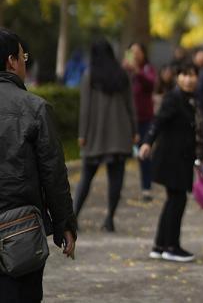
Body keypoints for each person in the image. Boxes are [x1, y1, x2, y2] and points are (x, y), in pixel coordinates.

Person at [0, 28, 77, 303]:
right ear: (11, 61)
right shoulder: (35, 108)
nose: (24, 62)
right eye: (23, 57)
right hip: (20, 230)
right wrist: (64, 224)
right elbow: (53, 173)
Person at [139, 60, 201, 263]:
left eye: (192, 75)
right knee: (177, 200)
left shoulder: (188, 98)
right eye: (184, 75)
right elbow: (158, 121)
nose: (188, 79)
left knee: (174, 200)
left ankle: (160, 245)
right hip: (171, 158)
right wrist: (147, 142)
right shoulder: (173, 98)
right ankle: (171, 246)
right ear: (177, 77)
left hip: (180, 157)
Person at [73, 38, 136, 232]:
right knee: (116, 177)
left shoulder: (90, 76)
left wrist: (82, 134)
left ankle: (74, 216)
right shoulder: (122, 74)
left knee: (87, 176)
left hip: (96, 135)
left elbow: (85, 109)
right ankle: (109, 219)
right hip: (120, 132)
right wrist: (134, 131)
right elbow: (130, 105)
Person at [123, 41, 156, 200]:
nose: (135, 54)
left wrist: (137, 71)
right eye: (132, 51)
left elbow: (151, 85)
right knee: (121, 154)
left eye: (138, 51)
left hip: (144, 118)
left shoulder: (147, 69)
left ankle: (146, 187)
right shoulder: (124, 71)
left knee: (144, 153)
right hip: (127, 119)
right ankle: (118, 187)